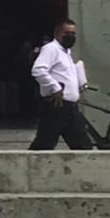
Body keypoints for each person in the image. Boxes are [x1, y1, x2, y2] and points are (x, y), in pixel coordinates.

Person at [29, 18, 93, 151]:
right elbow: (38, 70)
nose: (71, 36)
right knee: (44, 144)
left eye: (73, 33)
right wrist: (55, 88)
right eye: (67, 33)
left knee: (83, 145)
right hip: (56, 105)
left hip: (70, 107)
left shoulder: (66, 53)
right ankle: (29, 168)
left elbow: (65, 75)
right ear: (57, 34)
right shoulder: (51, 49)